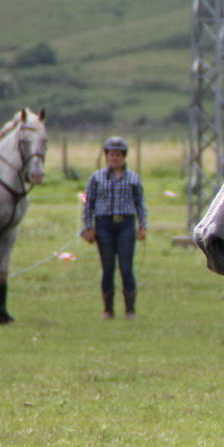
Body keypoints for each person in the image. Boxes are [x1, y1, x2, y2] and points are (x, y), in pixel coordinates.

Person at [81, 136, 147, 319]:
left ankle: (130, 309)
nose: (114, 158)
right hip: (104, 225)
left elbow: (140, 203)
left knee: (126, 267)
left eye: (118, 155)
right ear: (106, 156)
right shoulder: (96, 178)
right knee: (107, 266)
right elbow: (89, 204)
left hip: (125, 224)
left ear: (123, 156)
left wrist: (142, 226)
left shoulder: (133, 178)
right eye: (111, 155)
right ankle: (108, 309)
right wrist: (88, 227)